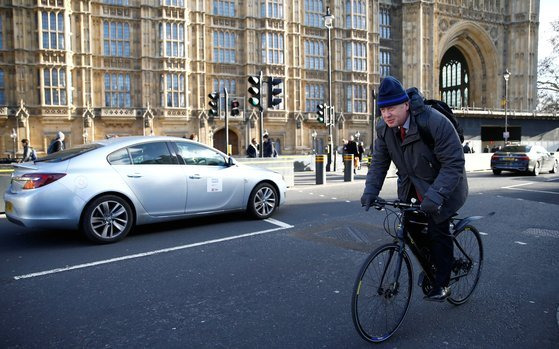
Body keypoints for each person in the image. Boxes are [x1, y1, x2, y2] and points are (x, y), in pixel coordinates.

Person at [360, 76, 468, 302]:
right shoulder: (384, 129)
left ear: (406, 104)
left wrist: (436, 195)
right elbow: (379, 162)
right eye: (382, 109)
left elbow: (454, 163)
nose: (387, 114)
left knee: (437, 229)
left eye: (392, 107)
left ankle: (443, 281)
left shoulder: (434, 122)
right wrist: (371, 191)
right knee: (411, 228)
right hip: (412, 189)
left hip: (445, 187)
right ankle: (433, 263)